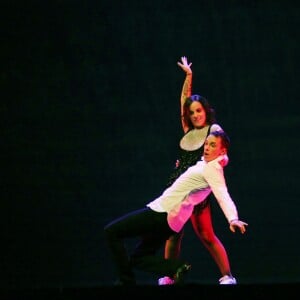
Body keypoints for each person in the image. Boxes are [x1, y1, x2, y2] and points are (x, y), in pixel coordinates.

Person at [104, 130, 248, 286]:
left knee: (112, 231)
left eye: (212, 145)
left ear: (222, 150)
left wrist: (233, 218)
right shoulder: (207, 164)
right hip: (170, 219)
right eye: (206, 144)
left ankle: (126, 281)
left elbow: (222, 194)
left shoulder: (212, 169)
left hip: (162, 212)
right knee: (138, 258)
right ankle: (175, 268)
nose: (206, 148)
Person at [158, 56, 239, 285]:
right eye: (192, 112)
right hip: (178, 188)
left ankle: (227, 276)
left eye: (198, 111)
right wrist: (188, 77)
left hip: (198, 191)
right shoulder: (186, 130)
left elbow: (223, 150)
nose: (195, 115)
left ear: (206, 110)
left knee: (206, 234)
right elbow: (184, 100)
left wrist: (222, 162)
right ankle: (169, 275)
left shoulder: (213, 129)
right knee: (173, 234)